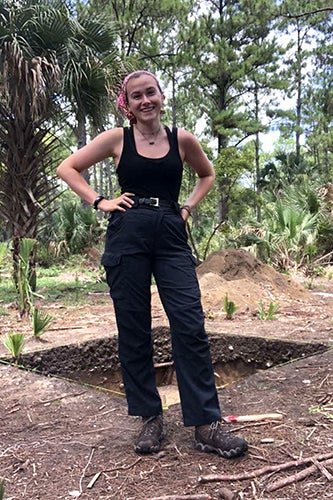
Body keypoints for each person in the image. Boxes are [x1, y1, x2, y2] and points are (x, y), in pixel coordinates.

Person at [57, 70, 248, 459]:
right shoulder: (117, 139)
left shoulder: (182, 139)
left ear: (162, 96)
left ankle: (206, 423)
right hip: (127, 233)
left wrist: (189, 207)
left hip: (171, 236)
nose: (145, 101)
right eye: (136, 96)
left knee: (189, 323)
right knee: (133, 328)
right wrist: (100, 201)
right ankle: (149, 417)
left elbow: (206, 174)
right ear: (127, 104)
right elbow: (67, 167)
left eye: (151, 93)